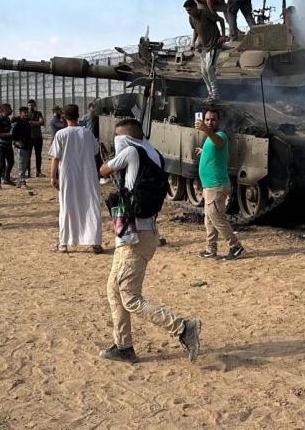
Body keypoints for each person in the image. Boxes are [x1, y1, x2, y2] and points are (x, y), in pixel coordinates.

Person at [98, 118, 201, 364]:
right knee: (114, 289)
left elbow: (103, 170)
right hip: (138, 232)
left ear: (126, 138)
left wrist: (114, 156)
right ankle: (123, 346)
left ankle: (183, 328)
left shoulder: (131, 152)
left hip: (135, 235)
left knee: (130, 297)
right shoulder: (153, 153)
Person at [49, 104, 103, 253]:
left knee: (67, 207)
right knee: (91, 206)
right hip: (88, 176)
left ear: (64, 117)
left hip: (68, 176)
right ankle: (95, 242)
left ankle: (64, 243)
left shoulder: (61, 134)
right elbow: (95, 150)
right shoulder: (87, 133)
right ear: (78, 116)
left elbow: (55, 158)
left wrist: (52, 176)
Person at [195, 108, 245, 260]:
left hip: (216, 185)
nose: (210, 122)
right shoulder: (210, 138)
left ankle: (236, 247)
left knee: (217, 218)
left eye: (213, 120)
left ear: (219, 122)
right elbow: (216, 150)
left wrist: (205, 130)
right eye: (207, 119)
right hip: (209, 185)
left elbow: (218, 142)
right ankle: (211, 248)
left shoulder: (220, 135)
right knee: (209, 219)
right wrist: (203, 151)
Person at [185, 0, 228, 101]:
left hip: (214, 45)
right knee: (203, 72)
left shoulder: (205, 13)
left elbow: (221, 20)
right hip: (204, 48)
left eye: (190, 10)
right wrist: (192, 43)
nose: (189, 12)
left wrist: (222, 36)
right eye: (187, 11)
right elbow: (195, 30)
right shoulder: (191, 18)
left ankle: (215, 95)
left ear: (195, 7)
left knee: (209, 68)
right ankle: (211, 95)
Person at [11, 106, 33, 186]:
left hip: (27, 145)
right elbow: (13, 134)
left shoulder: (27, 121)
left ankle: (22, 180)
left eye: (27, 112)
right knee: (21, 163)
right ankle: (20, 181)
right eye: (25, 113)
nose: (26, 114)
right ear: (20, 113)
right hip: (20, 146)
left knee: (25, 163)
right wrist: (16, 142)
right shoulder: (17, 122)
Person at [0, 104, 15, 187]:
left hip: (8, 145)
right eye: (9, 109)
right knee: (1, 163)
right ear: (4, 110)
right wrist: (9, 134)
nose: (11, 110)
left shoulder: (8, 119)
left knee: (11, 162)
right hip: (0, 145)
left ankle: (6, 178)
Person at [26, 99, 45, 178]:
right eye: (29, 105)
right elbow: (26, 123)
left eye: (32, 105)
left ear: (35, 106)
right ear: (28, 106)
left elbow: (42, 122)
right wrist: (37, 123)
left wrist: (31, 122)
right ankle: (28, 172)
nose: (31, 107)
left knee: (38, 154)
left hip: (38, 137)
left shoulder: (38, 113)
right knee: (28, 155)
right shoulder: (26, 114)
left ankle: (38, 171)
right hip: (29, 137)